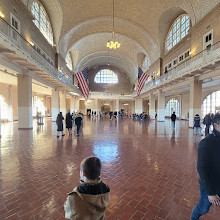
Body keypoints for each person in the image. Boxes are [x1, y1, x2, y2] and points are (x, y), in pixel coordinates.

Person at [191, 113, 220, 219]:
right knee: (203, 208)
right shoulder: (206, 143)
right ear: (216, 126)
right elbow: (202, 169)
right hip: (210, 185)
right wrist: (211, 192)